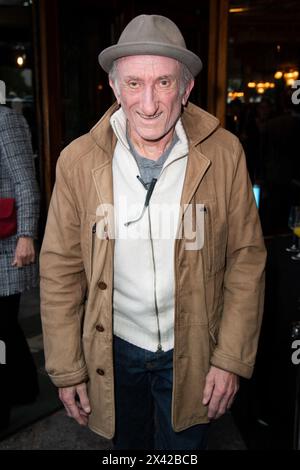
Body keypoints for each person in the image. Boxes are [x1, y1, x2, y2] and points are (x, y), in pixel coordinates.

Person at [40, 14, 266, 450]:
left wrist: (231, 358)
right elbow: (60, 270)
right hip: (113, 349)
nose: (148, 104)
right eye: (133, 84)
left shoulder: (225, 153)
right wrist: (67, 368)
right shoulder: (77, 161)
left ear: (186, 88)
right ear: (113, 87)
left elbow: (246, 259)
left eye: (163, 83)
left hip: (196, 351)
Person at [0, 104, 40, 430]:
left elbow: (25, 180)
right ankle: (25, 388)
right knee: (6, 328)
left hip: (6, 245)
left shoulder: (4, 118)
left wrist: (27, 235)